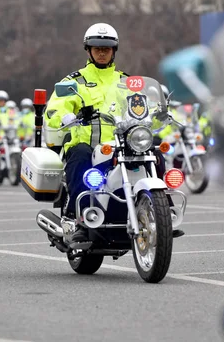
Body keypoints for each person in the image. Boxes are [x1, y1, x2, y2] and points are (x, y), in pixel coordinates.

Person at [44, 23, 173, 242]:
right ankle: (81, 222)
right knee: (79, 158)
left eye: (107, 48)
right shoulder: (75, 81)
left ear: (114, 50)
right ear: (88, 50)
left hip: (121, 144)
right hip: (86, 143)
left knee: (155, 153)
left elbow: (141, 105)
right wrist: (65, 115)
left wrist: (156, 113)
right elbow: (56, 105)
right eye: (97, 48)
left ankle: (162, 210)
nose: (102, 52)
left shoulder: (127, 82)